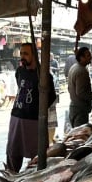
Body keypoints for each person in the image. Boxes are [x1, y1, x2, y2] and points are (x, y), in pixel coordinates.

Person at [6, 42, 56, 172]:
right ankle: (11, 180)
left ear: (34, 55)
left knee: (37, 157)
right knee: (13, 153)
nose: (22, 56)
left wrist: (37, 108)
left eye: (26, 54)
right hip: (17, 117)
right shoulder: (20, 71)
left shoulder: (44, 75)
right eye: (21, 53)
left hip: (34, 120)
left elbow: (51, 98)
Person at [67, 47, 92, 127]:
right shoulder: (81, 71)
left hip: (74, 108)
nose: (91, 57)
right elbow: (81, 93)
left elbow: (70, 88)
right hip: (80, 110)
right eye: (88, 55)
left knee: (76, 134)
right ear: (81, 58)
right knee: (79, 137)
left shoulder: (74, 67)